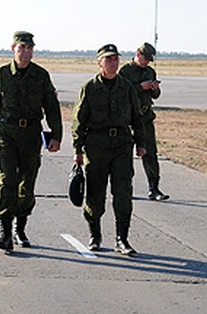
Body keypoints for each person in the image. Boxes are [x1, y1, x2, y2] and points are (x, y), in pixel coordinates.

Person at [0, 31, 62, 252]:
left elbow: (51, 107)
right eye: (22, 47)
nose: (26, 52)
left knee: (27, 183)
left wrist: (56, 135)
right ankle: (5, 232)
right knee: (6, 180)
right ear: (13, 48)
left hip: (31, 135)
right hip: (6, 134)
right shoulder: (1, 74)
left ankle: (20, 228)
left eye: (30, 48)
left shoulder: (41, 76)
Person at [71, 44, 147, 255]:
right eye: (109, 59)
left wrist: (140, 143)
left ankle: (122, 239)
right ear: (99, 62)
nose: (114, 62)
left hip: (122, 144)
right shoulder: (89, 88)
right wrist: (77, 149)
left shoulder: (127, 87)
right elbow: (79, 121)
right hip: (96, 145)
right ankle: (95, 235)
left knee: (123, 191)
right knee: (95, 192)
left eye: (116, 59)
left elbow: (136, 118)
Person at [119, 42, 168, 200]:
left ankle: (154, 188)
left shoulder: (150, 72)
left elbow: (155, 96)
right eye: (145, 58)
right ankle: (126, 188)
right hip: (128, 120)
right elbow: (121, 93)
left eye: (149, 60)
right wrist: (141, 87)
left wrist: (154, 88)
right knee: (125, 156)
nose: (147, 62)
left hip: (145, 119)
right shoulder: (125, 71)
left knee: (150, 154)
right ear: (138, 54)